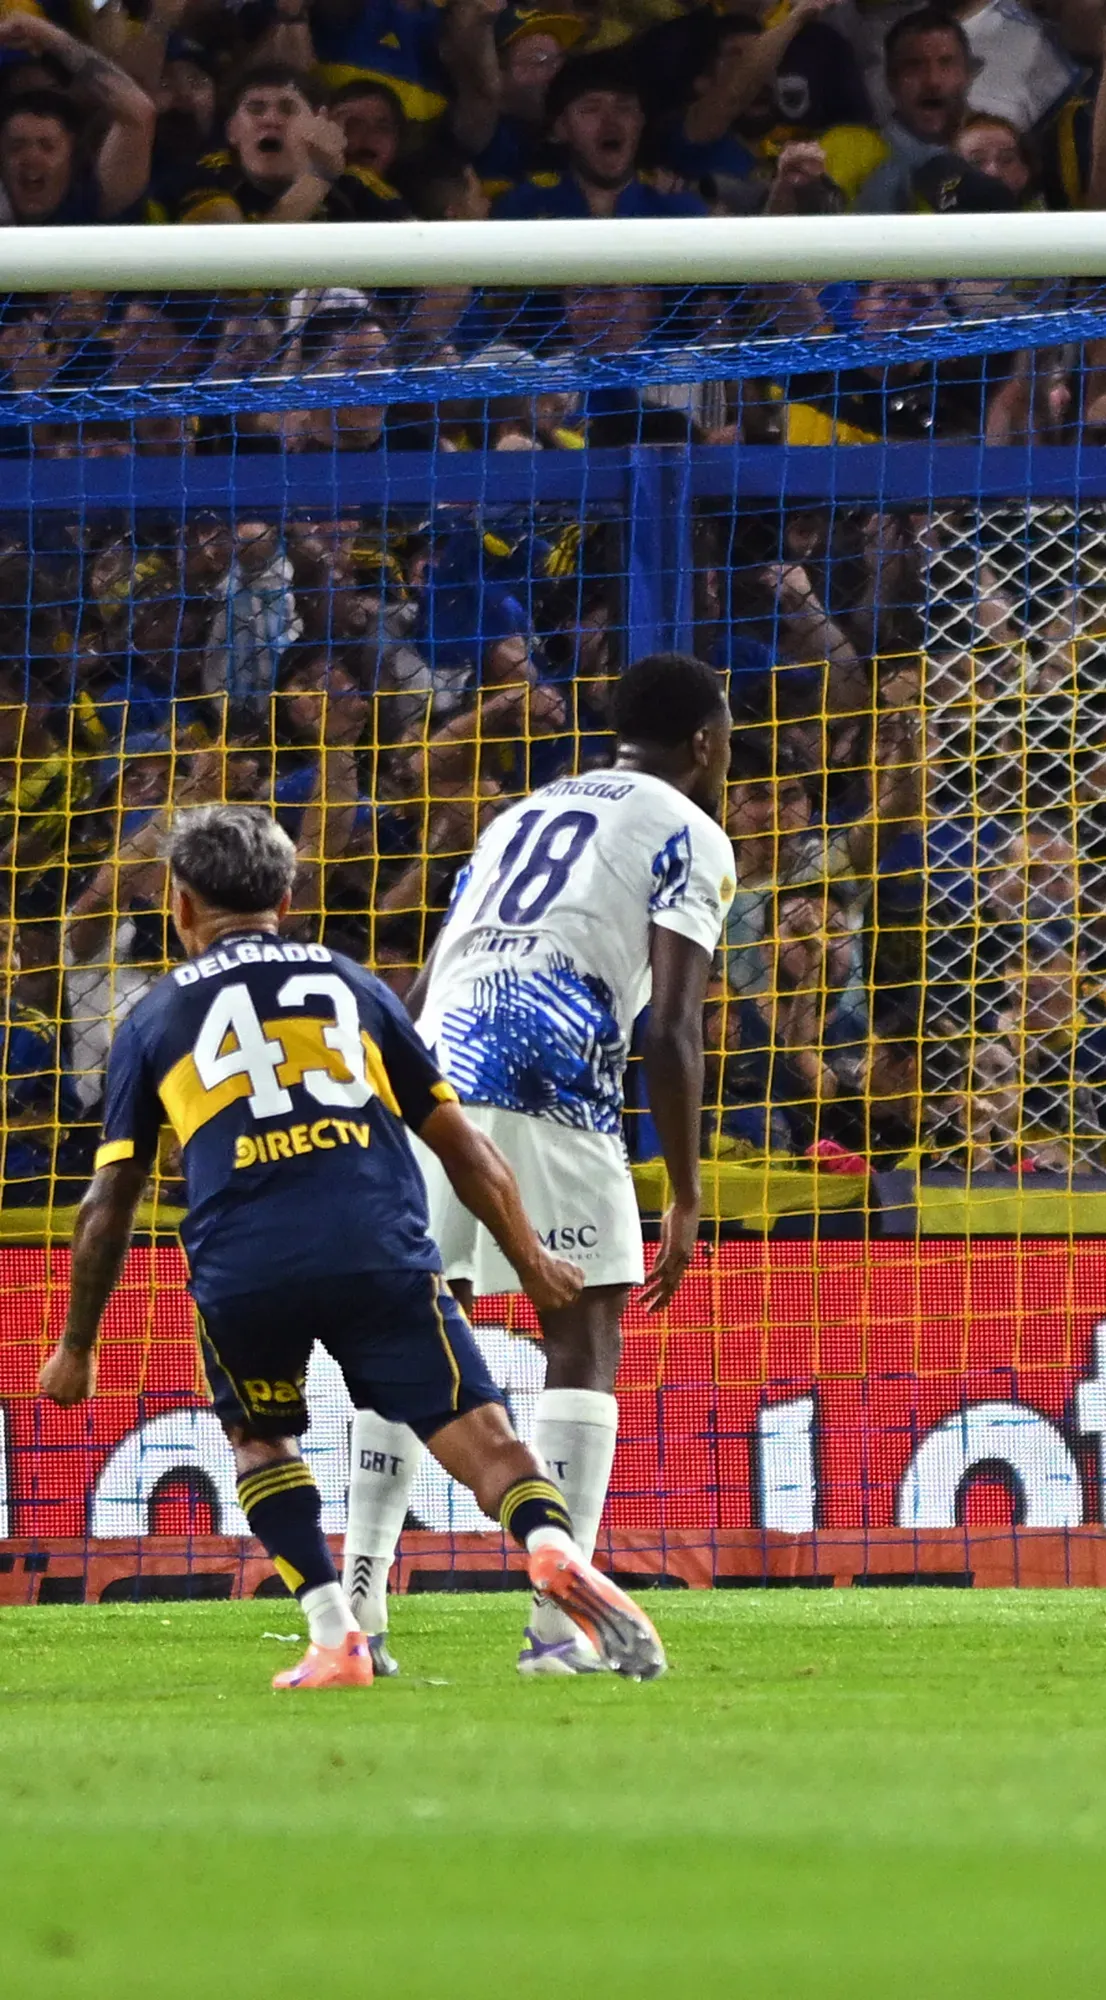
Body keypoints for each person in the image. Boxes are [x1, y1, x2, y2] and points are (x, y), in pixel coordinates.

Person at [35, 806, 664, 1688]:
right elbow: (461, 1145)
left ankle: (336, 1635)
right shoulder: (353, 986)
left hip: (243, 1261)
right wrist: (528, 1258)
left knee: (260, 1440)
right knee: (481, 1432)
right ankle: (552, 1546)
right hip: (378, 1246)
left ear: (179, 907)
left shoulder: (154, 1019)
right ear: (286, 898)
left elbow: (109, 1203)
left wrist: (77, 1342)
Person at [343, 653, 737, 1675]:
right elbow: (675, 1024)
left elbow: (429, 970)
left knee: (412, 1331)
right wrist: (687, 1193)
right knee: (586, 1324)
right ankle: (557, 1633)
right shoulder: (690, 830)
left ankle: (359, 1609)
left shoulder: (521, 813)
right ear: (705, 741)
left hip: (431, 1067)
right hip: (545, 1067)